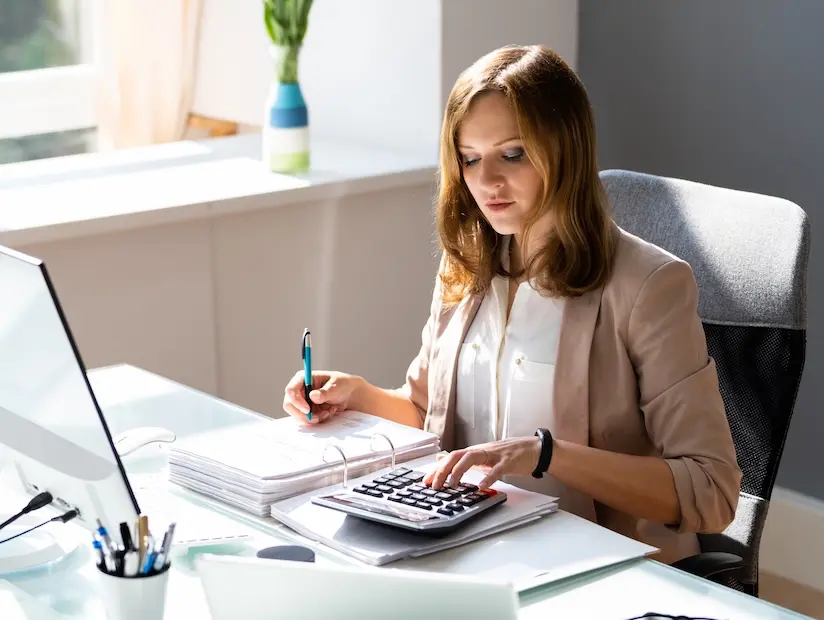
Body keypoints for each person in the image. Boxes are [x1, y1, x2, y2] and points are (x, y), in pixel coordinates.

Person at [282, 44, 742, 564]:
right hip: (477, 548)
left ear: (564, 149)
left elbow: (711, 489)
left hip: (598, 567)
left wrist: (545, 455)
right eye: (470, 159)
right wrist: (359, 395)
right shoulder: (468, 266)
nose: (486, 182)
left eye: (513, 153)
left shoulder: (648, 285)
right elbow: (429, 416)